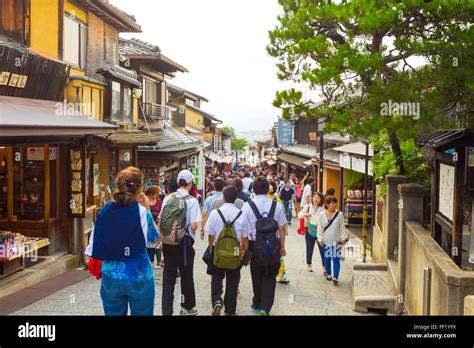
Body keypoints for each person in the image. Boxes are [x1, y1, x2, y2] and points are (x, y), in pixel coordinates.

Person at [85, 166, 160, 316]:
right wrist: (146, 209)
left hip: (111, 274)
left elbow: (96, 241)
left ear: (117, 186)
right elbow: (154, 238)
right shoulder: (142, 213)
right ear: (139, 189)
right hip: (138, 273)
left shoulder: (105, 210)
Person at [242, 177, 287, 315]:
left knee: (256, 274)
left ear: (253, 190)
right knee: (270, 275)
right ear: (268, 189)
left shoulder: (247, 206)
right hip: (273, 245)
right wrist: (282, 247)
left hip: (254, 245)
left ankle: (257, 302)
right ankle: (265, 307)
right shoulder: (276, 205)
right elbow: (281, 228)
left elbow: (244, 231)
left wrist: (244, 249)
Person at [160, 170, 202, 315]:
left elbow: (161, 219)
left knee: (168, 277)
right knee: (186, 275)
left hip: (167, 242)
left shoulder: (168, 198)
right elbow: (194, 225)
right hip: (184, 244)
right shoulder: (192, 200)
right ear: (190, 183)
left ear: (178, 182)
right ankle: (187, 306)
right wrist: (183, 231)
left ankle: (166, 310)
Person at [204, 186, 250, 316]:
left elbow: (210, 235)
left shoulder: (215, 213)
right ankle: (230, 310)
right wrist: (243, 252)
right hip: (235, 254)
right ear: (236, 199)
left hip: (218, 253)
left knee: (216, 278)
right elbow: (245, 238)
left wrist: (212, 250)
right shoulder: (241, 214)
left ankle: (217, 301)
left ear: (223, 197)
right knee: (233, 281)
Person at [317, 196, 349, 286]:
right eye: (332, 203)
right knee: (327, 259)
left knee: (336, 259)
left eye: (335, 203)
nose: (334, 205)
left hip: (337, 241)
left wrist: (344, 238)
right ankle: (329, 274)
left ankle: (335, 277)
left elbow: (342, 227)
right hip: (326, 241)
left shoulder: (340, 214)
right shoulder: (322, 214)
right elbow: (320, 228)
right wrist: (320, 238)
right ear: (327, 204)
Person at [298, 192, 325, 273]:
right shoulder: (308, 207)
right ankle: (309, 265)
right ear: (312, 198)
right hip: (309, 230)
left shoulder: (323, 208)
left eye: (318, 198)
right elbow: (299, 215)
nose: (316, 199)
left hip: (320, 232)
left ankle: (324, 266)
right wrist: (305, 214)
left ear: (321, 200)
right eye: (314, 197)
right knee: (309, 248)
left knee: (322, 250)